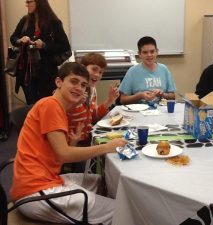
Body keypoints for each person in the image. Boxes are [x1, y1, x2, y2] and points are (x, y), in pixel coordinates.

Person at [10, 62, 127, 225]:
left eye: (83, 85)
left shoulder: (57, 107)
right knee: (123, 210)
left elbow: (59, 157)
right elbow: (64, 154)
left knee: (104, 181)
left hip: (44, 179)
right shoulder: (50, 105)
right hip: (35, 192)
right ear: (59, 82)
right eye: (73, 81)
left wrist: (73, 140)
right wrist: (107, 147)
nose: (79, 88)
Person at [10, 0, 71, 104]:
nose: (27, 5)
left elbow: (64, 46)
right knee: (31, 105)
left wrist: (44, 46)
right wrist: (20, 40)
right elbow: (13, 38)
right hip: (27, 72)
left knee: (46, 104)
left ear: (39, 2)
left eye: (29, 2)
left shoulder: (53, 22)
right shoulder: (25, 20)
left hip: (47, 72)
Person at [67, 53, 119, 146]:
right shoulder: (71, 90)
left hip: (86, 138)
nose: (97, 74)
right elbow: (61, 114)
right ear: (82, 68)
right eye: (94, 69)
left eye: (101, 72)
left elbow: (94, 117)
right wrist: (74, 103)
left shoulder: (92, 89)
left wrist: (109, 100)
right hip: (70, 142)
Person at [119, 36, 176, 105]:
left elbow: (172, 97)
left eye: (152, 51)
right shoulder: (132, 71)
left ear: (157, 52)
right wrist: (140, 96)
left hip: (161, 110)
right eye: (145, 52)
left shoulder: (164, 69)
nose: (149, 55)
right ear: (139, 54)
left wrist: (162, 94)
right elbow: (123, 100)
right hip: (140, 112)